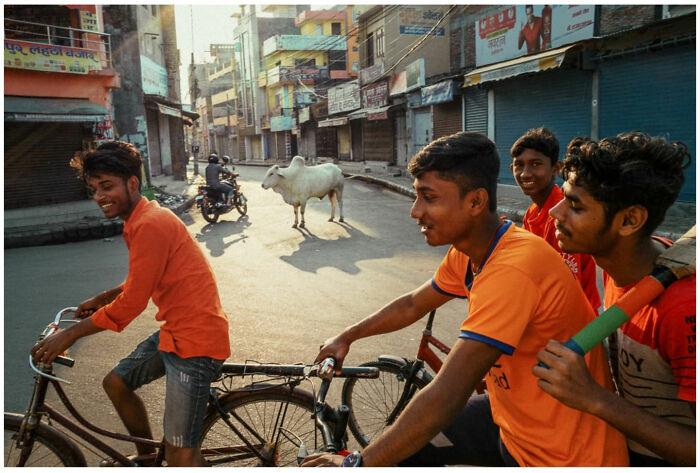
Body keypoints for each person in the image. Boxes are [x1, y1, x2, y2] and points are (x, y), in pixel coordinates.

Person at [302, 132, 628, 467]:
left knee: (399, 445)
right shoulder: (473, 250)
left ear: (475, 202)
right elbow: (413, 304)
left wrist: (356, 463)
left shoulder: (513, 267)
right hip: (513, 421)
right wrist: (348, 336)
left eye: (428, 198)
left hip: (560, 453)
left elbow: (447, 393)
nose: (415, 211)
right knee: (407, 446)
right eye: (417, 196)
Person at [30, 141, 230, 466]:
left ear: (132, 183)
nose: (99, 197)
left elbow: (132, 303)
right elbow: (143, 278)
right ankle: (148, 457)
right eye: (94, 189)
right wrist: (104, 296)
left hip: (195, 343)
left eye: (106, 186)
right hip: (175, 334)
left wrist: (69, 335)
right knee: (116, 383)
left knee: (181, 455)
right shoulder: (142, 218)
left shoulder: (150, 223)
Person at [533, 132, 695, 466]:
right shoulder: (616, 266)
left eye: (576, 205)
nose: (556, 213)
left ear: (630, 220)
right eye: (563, 198)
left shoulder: (683, 308)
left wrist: (595, 399)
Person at [510, 127, 601, 311]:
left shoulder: (561, 216)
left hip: (574, 320)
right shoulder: (531, 212)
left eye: (536, 164)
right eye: (519, 165)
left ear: (556, 168)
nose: (525, 173)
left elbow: (568, 286)